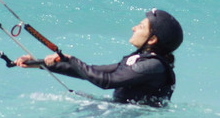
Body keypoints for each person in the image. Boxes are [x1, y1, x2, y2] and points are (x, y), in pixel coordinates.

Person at [15, 8, 182, 106]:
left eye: (140, 26)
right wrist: (39, 63)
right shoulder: (141, 59)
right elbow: (93, 71)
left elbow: (107, 82)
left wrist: (72, 59)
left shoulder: (152, 66)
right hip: (125, 114)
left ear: (152, 39)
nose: (133, 28)